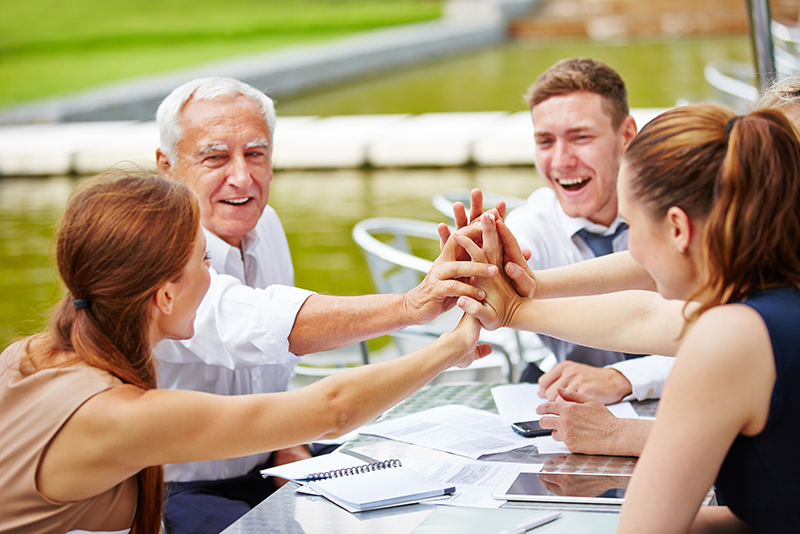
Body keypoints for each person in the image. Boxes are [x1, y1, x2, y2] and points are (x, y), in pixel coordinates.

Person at [0, 172, 491, 534]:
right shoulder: (114, 414)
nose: (214, 277)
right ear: (165, 297)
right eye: (205, 261)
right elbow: (331, 409)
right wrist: (453, 343)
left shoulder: (25, 357)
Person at [151, 77, 495, 531]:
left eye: (255, 154)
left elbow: (271, 368)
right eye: (215, 157)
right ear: (167, 166)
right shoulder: (160, 252)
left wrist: (286, 447)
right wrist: (414, 304)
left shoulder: (264, 222)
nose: (242, 177)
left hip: (271, 465)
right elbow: (265, 327)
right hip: (174, 490)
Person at [458, 104, 800, 533]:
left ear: (678, 228)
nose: (631, 251)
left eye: (632, 227)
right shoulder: (771, 301)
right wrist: (514, 306)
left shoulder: (729, 337)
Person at [443, 58, 673, 405]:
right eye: (546, 141)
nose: (562, 161)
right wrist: (488, 261)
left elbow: (721, 339)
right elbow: (519, 245)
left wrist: (626, 378)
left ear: (626, 135)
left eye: (580, 137)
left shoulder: (680, 210)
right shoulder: (536, 220)